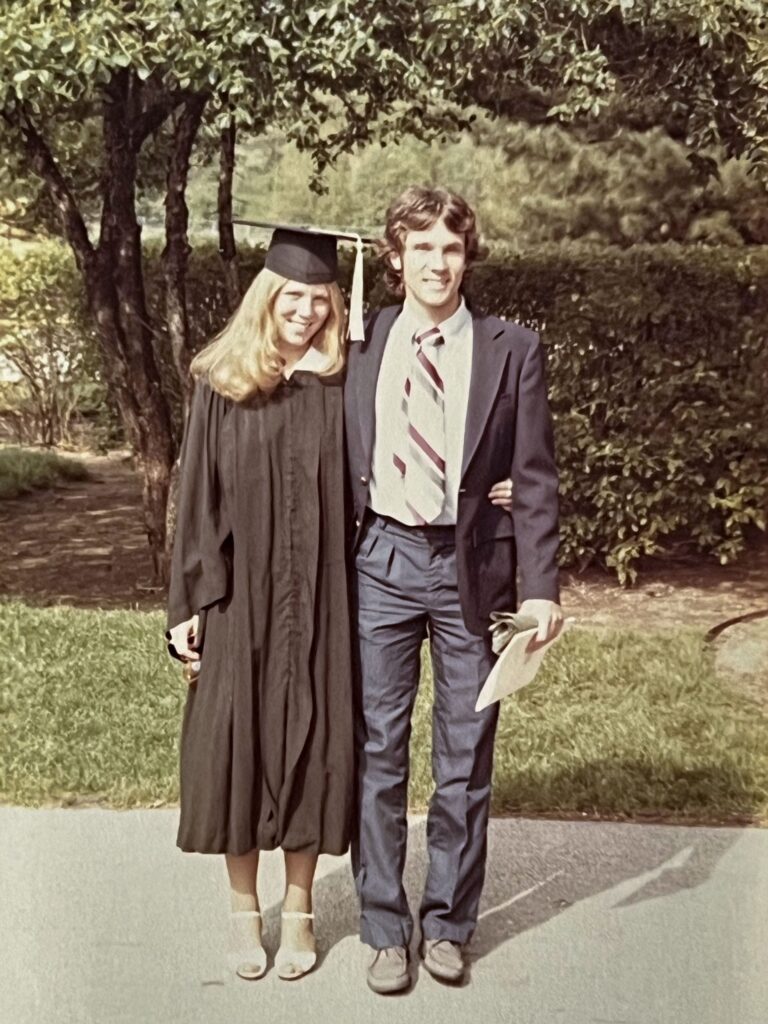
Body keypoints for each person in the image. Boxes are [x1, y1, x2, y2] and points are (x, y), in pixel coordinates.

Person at [344, 186, 563, 993]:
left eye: (452, 248)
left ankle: (447, 923)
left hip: (474, 570)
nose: (438, 264)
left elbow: (534, 478)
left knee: (466, 758)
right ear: (394, 258)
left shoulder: (512, 348)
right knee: (378, 749)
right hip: (383, 564)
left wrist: (541, 589)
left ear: (468, 257)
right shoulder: (361, 342)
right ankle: (381, 925)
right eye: (421, 248)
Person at [165, 225, 356, 982]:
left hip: (323, 597)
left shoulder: (344, 384)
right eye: (293, 296)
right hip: (238, 601)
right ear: (265, 297)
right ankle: (247, 912)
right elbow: (196, 502)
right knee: (236, 749)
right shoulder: (221, 382)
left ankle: (302, 909)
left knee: (313, 750)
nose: (306, 311)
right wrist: (187, 603)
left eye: (320, 298)